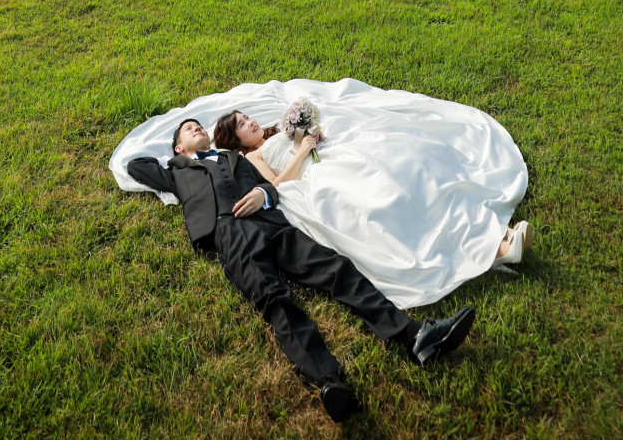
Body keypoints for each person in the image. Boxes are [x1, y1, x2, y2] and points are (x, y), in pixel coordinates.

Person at [124, 115, 475, 422]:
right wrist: (174, 159)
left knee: (335, 268)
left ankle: (414, 336)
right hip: (228, 232)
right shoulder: (177, 170)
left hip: (271, 222)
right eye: (188, 128)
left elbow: (264, 183)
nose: (197, 127)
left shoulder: (233, 157)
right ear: (177, 147)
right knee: (275, 299)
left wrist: (264, 195)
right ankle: (328, 381)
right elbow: (135, 165)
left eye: (199, 124)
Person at [211, 110, 533, 311]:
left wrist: (311, 136)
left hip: (332, 152)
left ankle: (491, 232)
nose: (250, 121)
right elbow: (278, 184)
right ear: (234, 139)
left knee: (406, 164)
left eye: (246, 116)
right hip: (315, 174)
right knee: (384, 197)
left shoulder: (273, 129)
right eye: (241, 123)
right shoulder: (250, 158)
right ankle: (493, 248)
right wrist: (304, 151)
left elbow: (302, 142)